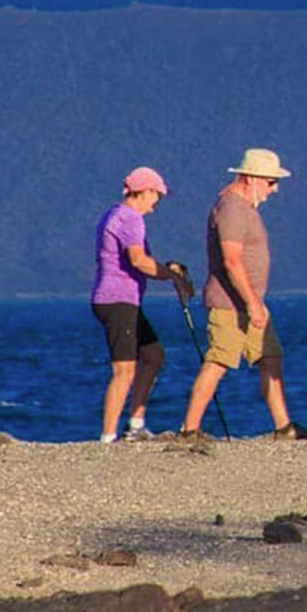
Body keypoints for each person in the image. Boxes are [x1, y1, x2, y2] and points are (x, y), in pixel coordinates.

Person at [179, 148, 307, 440]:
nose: (275, 189)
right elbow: (232, 261)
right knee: (219, 361)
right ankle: (189, 429)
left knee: (270, 357)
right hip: (231, 304)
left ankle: (285, 427)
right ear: (252, 178)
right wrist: (253, 303)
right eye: (271, 182)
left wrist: (256, 303)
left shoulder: (245, 208)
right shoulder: (231, 209)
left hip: (250, 303)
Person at [90, 166, 190, 443]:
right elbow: (139, 260)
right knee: (124, 369)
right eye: (156, 196)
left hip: (123, 300)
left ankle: (135, 424)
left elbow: (141, 262)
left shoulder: (113, 214)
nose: (156, 205)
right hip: (117, 300)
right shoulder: (130, 218)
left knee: (154, 355)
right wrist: (171, 276)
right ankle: (108, 437)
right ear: (144, 192)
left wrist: (165, 270)